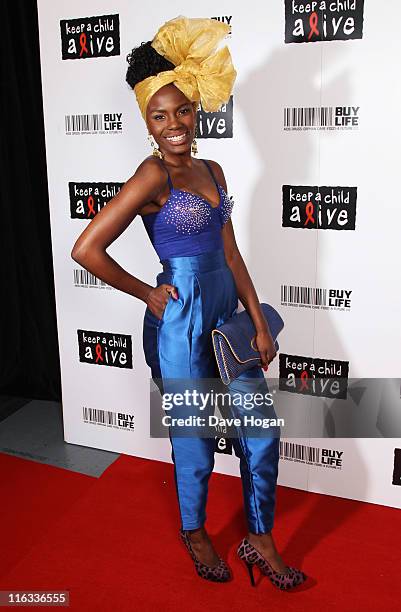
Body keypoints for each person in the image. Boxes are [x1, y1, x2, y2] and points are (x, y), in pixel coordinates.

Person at [71, 15, 306, 590]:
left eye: (183, 111)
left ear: (196, 110)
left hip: (226, 310)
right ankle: (194, 531)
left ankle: (260, 536)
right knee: (195, 434)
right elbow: (87, 248)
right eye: (160, 115)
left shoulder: (212, 168)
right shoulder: (152, 175)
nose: (174, 125)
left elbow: (230, 253)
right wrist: (147, 292)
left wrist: (257, 321)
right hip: (181, 321)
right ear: (145, 121)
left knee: (261, 430)